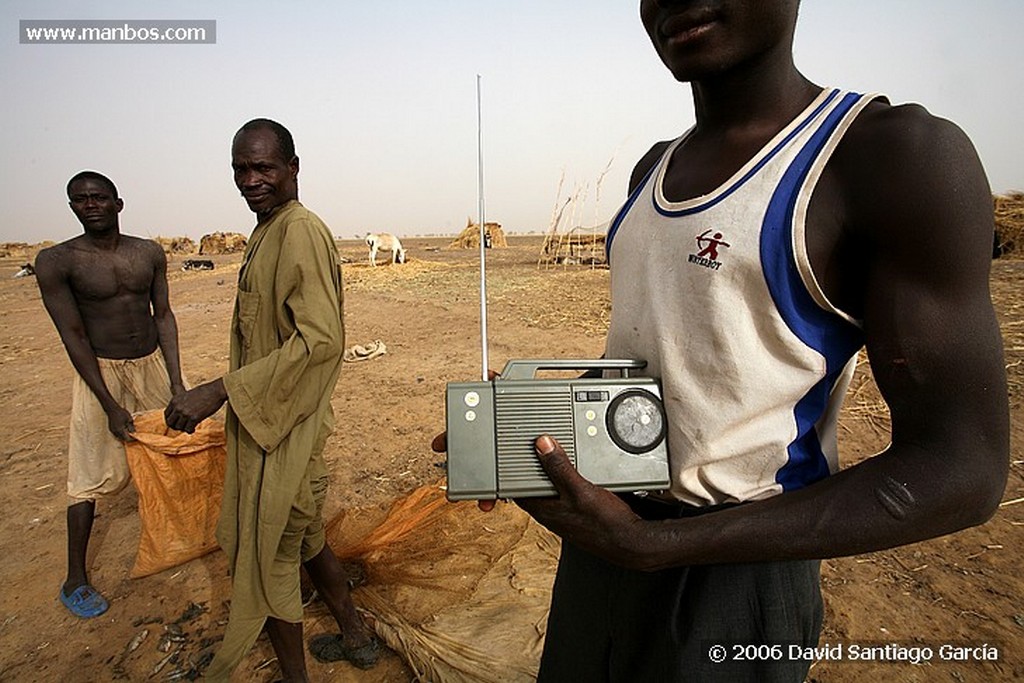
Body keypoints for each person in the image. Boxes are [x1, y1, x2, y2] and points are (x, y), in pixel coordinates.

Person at [497, 2, 1009, 681]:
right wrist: (523, 441)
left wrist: (662, 545)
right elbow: (670, 368)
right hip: (606, 545)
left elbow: (964, 468)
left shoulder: (889, 156)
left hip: (737, 576)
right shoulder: (652, 169)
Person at [164, 119, 380, 680]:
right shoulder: (268, 229)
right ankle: (356, 635)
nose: (250, 179)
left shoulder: (299, 231)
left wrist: (219, 391)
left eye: (263, 167)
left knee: (272, 558)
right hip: (275, 421)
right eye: (241, 168)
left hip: (287, 430)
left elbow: (321, 341)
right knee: (306, 538)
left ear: (293, 168)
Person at [35, 171, 186, 618]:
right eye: (80, 200)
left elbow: (164, 317)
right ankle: (75, 577)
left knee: (176, 448)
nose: (91, 205)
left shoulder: (148, 253)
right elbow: (74, 336)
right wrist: (108, 403)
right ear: (72, 207)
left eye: (99, 197)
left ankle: (181, 534)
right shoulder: (58, 262)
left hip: (151, 365)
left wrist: (177, 383)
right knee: (87, 476)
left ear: (119, 203)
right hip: (100, 372)